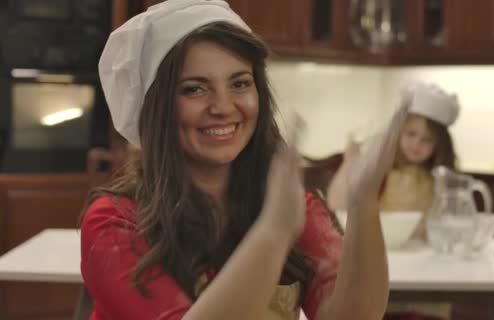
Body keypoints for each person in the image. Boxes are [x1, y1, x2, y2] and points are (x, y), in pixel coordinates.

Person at [80, 1, 408, 319]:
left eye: (239, 84)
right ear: (155, 108)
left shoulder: (294, 208)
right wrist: (273, 233)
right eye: (194, 89)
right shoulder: (115, 223)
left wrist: (365, 201)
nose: (224, 106)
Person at [326, 83, 460, 320]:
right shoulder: (381, 172)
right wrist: (350, 162)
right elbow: (336, 203)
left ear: (440, 145)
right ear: (397, 133)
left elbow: (446, 223)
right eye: (410, 134)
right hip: (379, 260)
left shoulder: (438, 180)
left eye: (427, 140)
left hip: (423, 266)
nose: (416, 144)